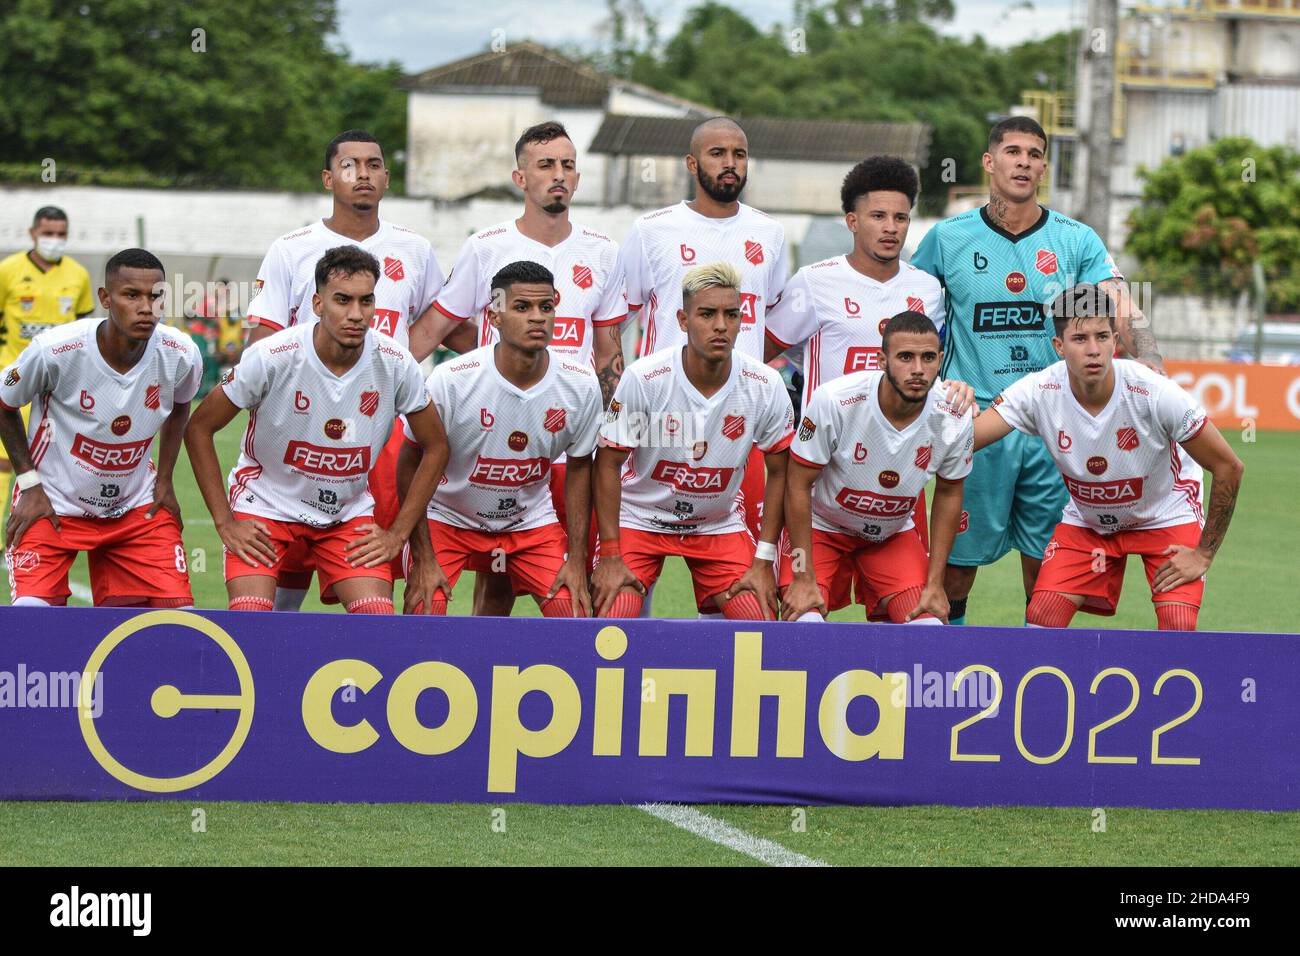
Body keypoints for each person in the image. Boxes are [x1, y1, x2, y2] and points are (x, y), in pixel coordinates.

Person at [910, 116, 1164, 625]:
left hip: (1055, 427)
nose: (1024, 161)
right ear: (990, 162)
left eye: (1034, 153)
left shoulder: (1076, 240)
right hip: (977, 423)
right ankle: (943, 673)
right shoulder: (947, 238)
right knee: (957, 570)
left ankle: (1036, 686)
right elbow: (912, 324)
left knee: (1046, 575)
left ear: (1044, 166)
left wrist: (1155, 372)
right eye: (1013, 151)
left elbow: (1122, 309)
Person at [242, 129, 473, 610]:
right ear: (329, 177)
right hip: (298, 431)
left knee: (371, 562)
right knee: (286, 573)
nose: (362, 174)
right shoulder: (292, 248)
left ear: (387, 177)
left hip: (377, 434)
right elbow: (260, 343)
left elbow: (448, 328)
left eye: (374, 164)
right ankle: (274, 668)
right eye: (350, 165)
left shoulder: (414, 249)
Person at [185, 246, 447, 614]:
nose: (356, 314)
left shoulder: (395, 363)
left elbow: (436, 446)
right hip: (265, 508)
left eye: (366, 301)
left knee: (378, 621)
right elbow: (198, 428)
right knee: (250, 618)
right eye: (342, 300)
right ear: (318, 304)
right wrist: (225, 522)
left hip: (346, 515)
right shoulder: (272, 356)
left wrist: (397, 534)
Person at [431, 121, 626, 615]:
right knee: (493, 571)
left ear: (577, 178)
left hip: (569, 436)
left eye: (567, 165)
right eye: (545, 166)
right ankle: (482, 664)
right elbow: (435, 328)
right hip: (493, 433)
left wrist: (615, 430)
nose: (558, 175)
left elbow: (608, 352)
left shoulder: (604, 252)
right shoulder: (486, 246)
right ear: (521, 178)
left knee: (568, 576)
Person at [972, 284, 1243, 631]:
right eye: (1080, 339)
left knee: (1178, 626)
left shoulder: (1154, 392)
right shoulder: (1039, 391)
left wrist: (1204, 554)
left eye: (1102, 336)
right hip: (1089, 522)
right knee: (1041, 619)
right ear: (1059, 346)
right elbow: (969, 440)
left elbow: (1229, 466)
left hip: (1165, 514)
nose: (1094, 350)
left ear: (1116, 341)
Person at [618, 116, 789, 613]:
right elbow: (616, 320)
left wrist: (757, 380)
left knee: (741, 591)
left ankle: (716, 677)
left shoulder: (769, 233)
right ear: (693, 164)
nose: (730, 164)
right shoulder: (651, 230)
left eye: (738, 154)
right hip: (656, 417)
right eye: (717, 154)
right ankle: (626, 667)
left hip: (736, 423)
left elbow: (766, 320)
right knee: (629, 581)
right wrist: (620, 393)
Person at [592, 262, 793, 620]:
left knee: (757, 618)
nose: (720, 325)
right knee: (614, 614)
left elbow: (781, 473)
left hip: (716, 521)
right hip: (641, 517)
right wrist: (609, 554)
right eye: (707, 314)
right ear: (683, 321)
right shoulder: (647, 379)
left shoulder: (764, 384)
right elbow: (607, 463)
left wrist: (764, 560)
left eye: (731, 314)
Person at [400, 260, 602, 617]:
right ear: (494, 316)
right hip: (448, 517)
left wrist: (577, 560)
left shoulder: (581, 384)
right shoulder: (451, 381)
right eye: (522, 308)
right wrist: (423, 556)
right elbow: (410, 460)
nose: (537, 318)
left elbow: (580, 468)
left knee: (574, 615)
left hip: (528, 522)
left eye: (546, 307)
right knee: (424, 609)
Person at [0, 248, 199, 607]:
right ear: (105, 298)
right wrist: (29, 484)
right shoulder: (56, 350)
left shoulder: (180, 352)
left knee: (176, 624)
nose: (145, 307)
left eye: (156, 296)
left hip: (135, 507)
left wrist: (165, 478)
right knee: (31, 622)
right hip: (52, 504)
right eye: (131, 295)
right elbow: (4, 403)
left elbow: (181, 404)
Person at [781, 311, 973, 624]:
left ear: (940, 360)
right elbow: (797, 483)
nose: (917, 370)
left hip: (891, 534)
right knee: (805, 623)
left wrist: (936, 584)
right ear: (881, 360)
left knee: (926, 626)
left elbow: (950, 493)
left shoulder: (953, 414)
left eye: (927, 358)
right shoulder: (834, 400)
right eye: (905, 357)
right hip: (822, 528)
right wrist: (802, 576)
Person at [0, 207, 95, 519]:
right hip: (13, 379)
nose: (54, 240)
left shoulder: (78, 275)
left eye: (60, 234)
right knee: (3, 464)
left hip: (58, 390)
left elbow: (85, 332)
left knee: (63, 465)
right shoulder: (8, 270)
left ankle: (60, 528)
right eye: (48, 233)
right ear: (33, 233)